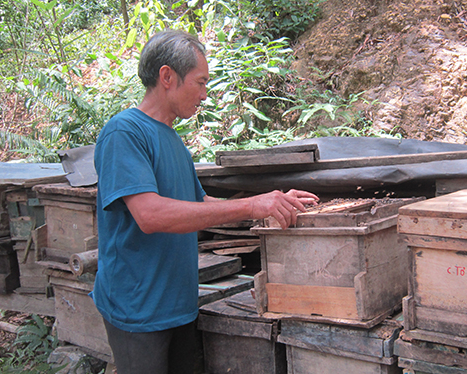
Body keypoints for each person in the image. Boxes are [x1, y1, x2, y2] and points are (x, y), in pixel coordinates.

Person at [92, 29, 318, 374]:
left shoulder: (173, 141)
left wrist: (271, 205)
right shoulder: (124, 133)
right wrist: (250, 205)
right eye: (200, 82)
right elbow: (150, 215)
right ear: (167, 77)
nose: (205, 94)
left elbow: (200, 204)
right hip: (139, 308)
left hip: (178, 304)